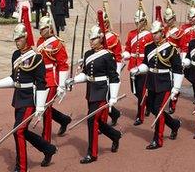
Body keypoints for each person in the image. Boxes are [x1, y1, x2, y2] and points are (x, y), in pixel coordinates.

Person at [0, 18, 56, 172]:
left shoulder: (36, 57)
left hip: (30, 100)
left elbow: (41, 84)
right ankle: (47, 148)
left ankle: (22, 169)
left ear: (26, 38)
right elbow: (14, 78)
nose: (17, 42)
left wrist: (39, 107)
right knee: (22, 131)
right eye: (16, 39)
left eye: (20, 38)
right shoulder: (16, 55)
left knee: (18, 131)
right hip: (18, 98)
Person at [65, 24, 121, 162]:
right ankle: (114, 135)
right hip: (91, 90)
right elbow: (86, 74)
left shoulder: (108, 56)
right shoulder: (88, 54)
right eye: (90, 39)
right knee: (99, 122)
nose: (91, 41)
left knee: (92, 120)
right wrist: (74, 80)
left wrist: (113, 96)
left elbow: (114, 77)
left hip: (102, 90)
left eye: (94, 39)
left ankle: (92, 153)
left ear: (101, 39)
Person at [133, 21, 183, 150]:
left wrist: (176, 88)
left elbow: (178, 69)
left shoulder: (171, 48)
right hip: (151, 81)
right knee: (152, 108)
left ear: (162, 32)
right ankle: (174, 124)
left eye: (157, 33)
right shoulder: (149, 47)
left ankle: (158, 140)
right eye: (153, 33)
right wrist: (138, 69)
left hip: (164, 82)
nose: (154, 36)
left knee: (159, 109)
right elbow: (146, 64)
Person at [36, 13, 71, 141]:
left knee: (45, 107)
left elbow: (63, 65)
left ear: (50, 28)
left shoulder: (57, 44)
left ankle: (46, 137)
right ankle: (63, 119)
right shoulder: (40, 41)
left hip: (52, 78)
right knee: (42, 104)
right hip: (41, 77)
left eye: (43, 29)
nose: (41, 31)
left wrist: (61, 84)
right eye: (40, 29)